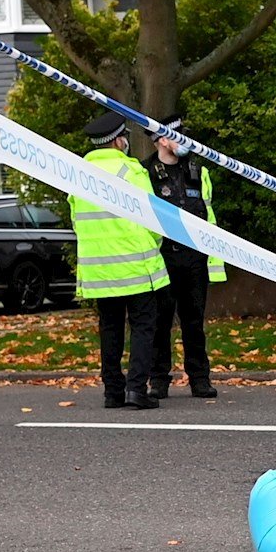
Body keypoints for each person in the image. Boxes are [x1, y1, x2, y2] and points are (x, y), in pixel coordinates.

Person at [75, 112, 171, 410]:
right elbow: (153, 221)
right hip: (136, 266)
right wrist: (153, 248)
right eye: (125, 137)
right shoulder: (133, 172)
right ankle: (136, 390)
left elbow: (77, 222)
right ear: (118, 141)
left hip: (99, 271)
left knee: (110, 328)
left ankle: (112, 392)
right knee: (143, 327)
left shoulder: (77, 175)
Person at [146, 126, 227, 400]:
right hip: (163, 257)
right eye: (177, 137)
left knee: (194, 321)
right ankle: (158, 380)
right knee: (160, 322)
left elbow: (207, 212)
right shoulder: (145, 173)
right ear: (160, 140)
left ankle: (200, 379)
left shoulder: (197, 172)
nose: (183, 143)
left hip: (194, 258)